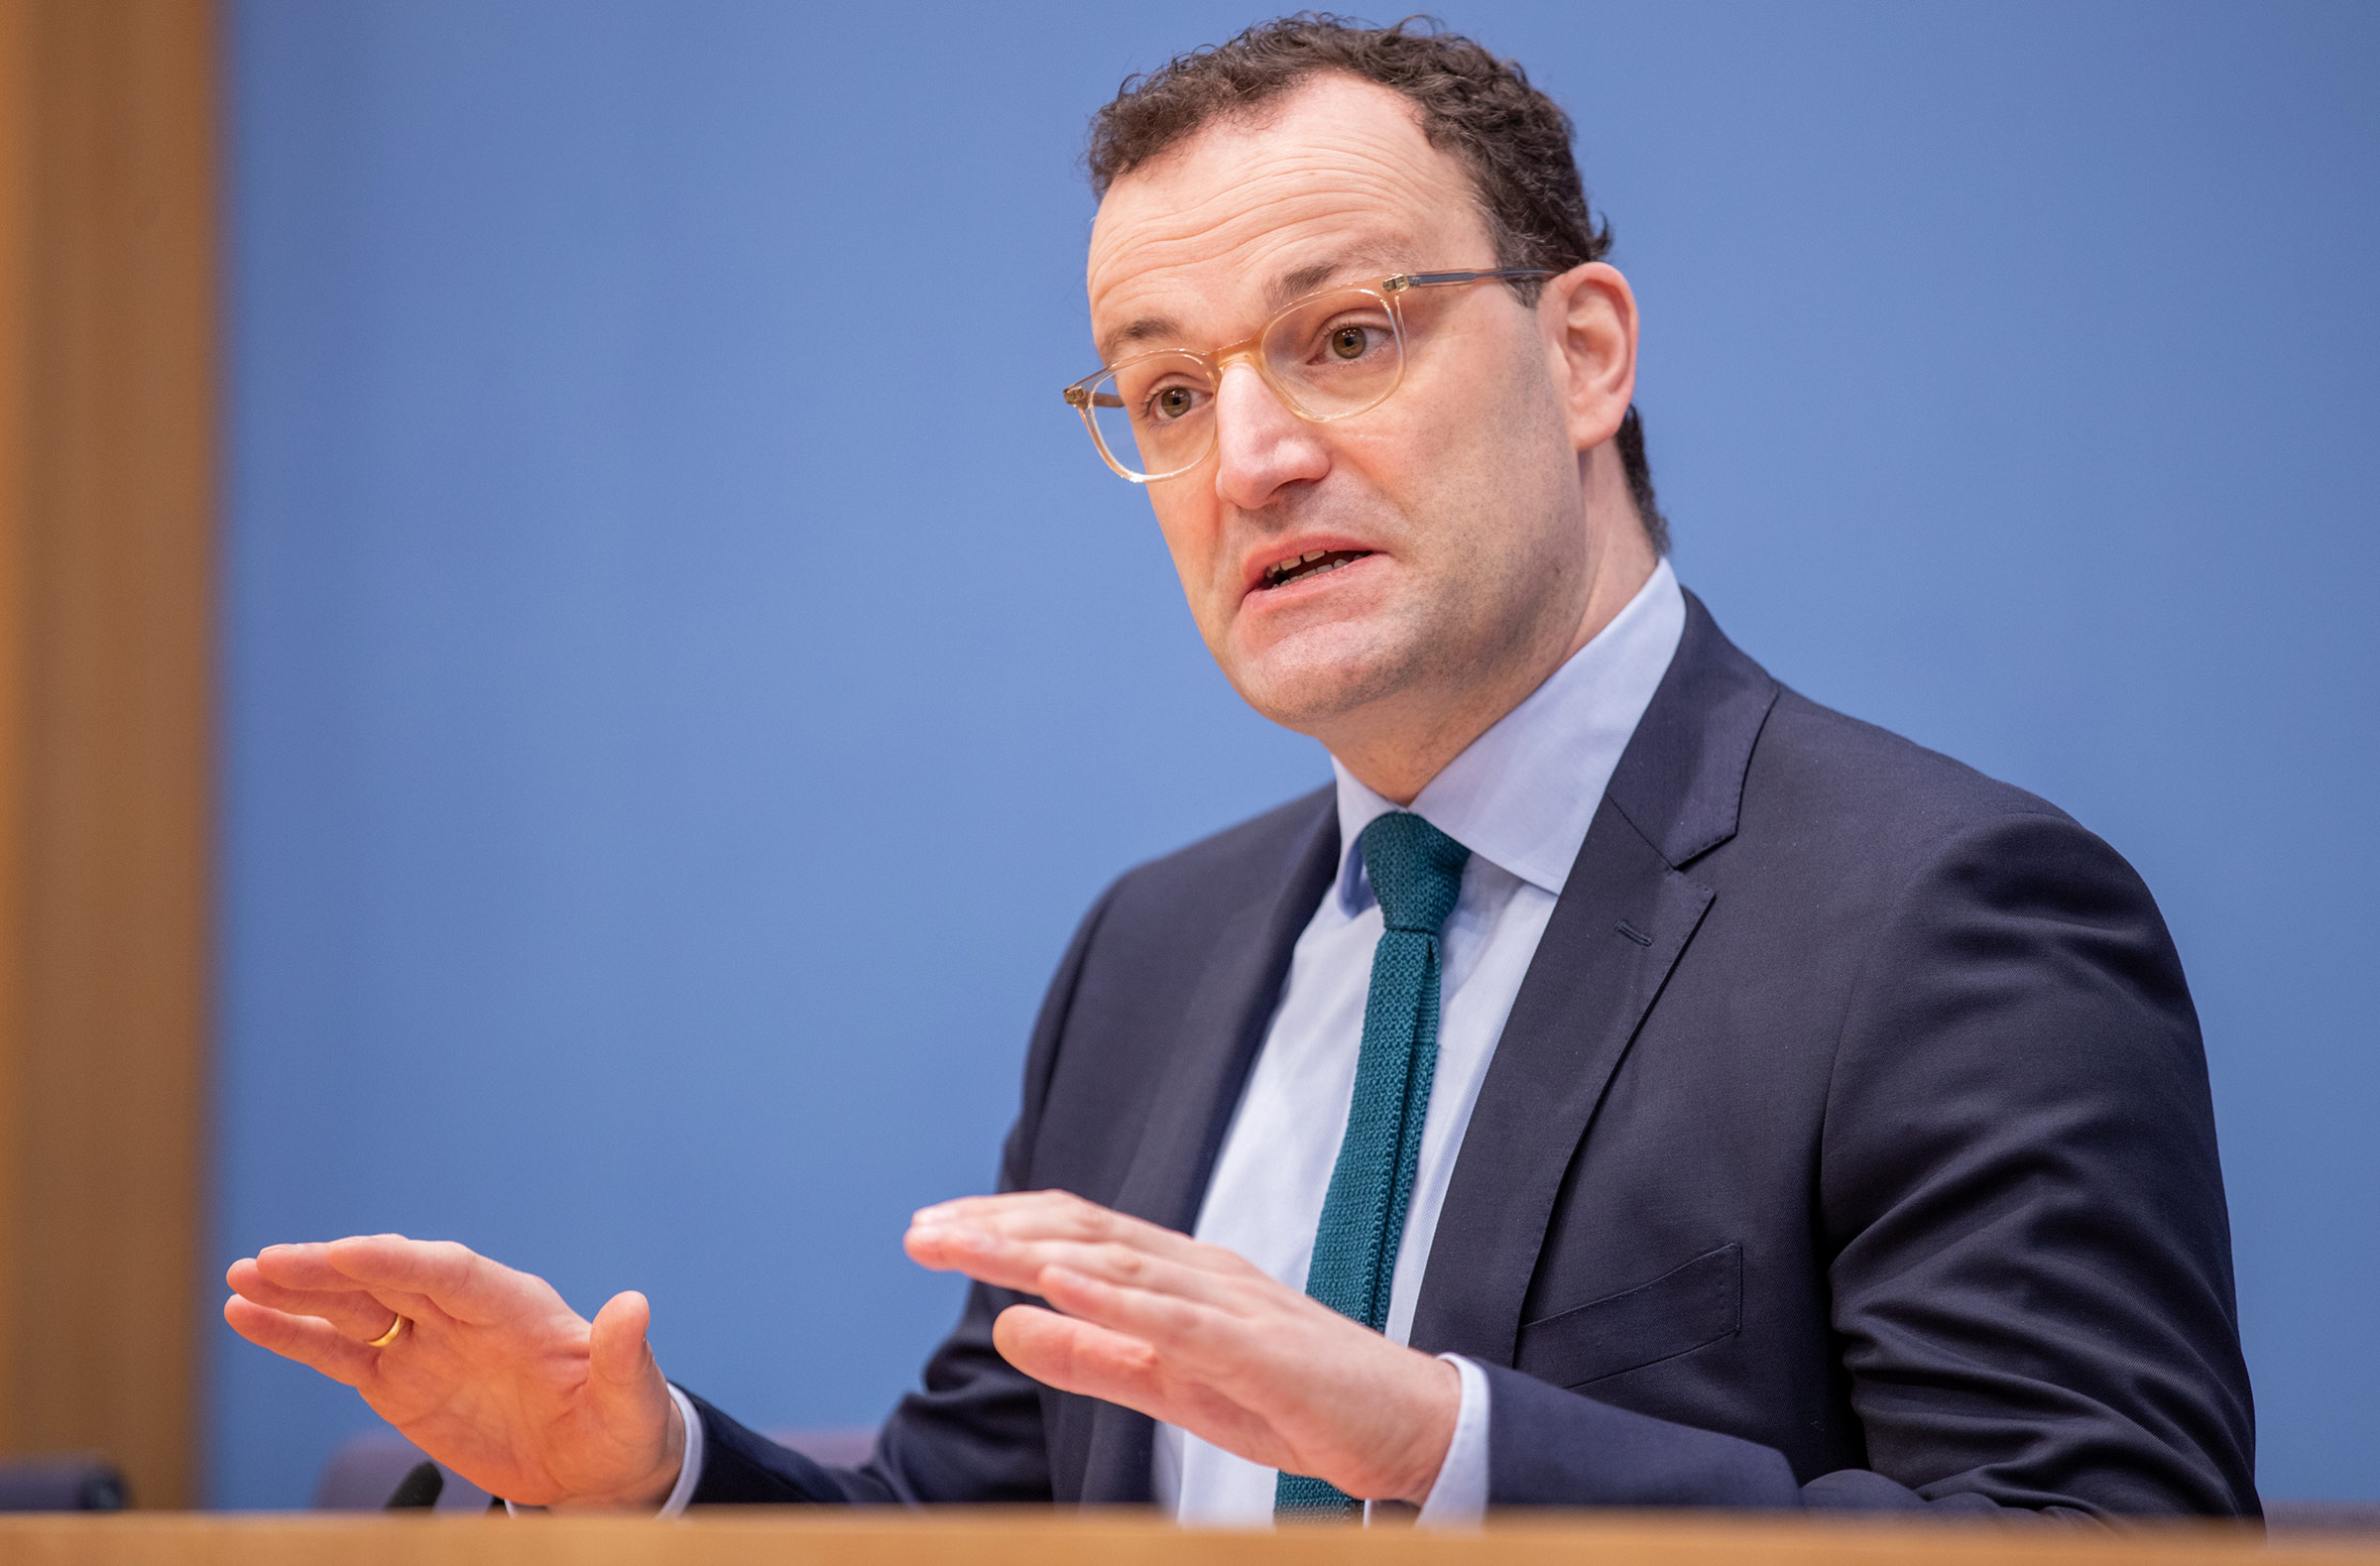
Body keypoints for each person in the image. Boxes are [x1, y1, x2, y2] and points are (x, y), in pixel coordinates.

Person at [224, 17, 2258, 1522]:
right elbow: (980, 1520)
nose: (1251, 453)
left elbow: (2102, 1544)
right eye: (1169, 389)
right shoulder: (1160, 949)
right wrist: (646, 1476)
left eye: (1348, 334)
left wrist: (1438, 1445)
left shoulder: (1938, 910)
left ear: (1587, 354)